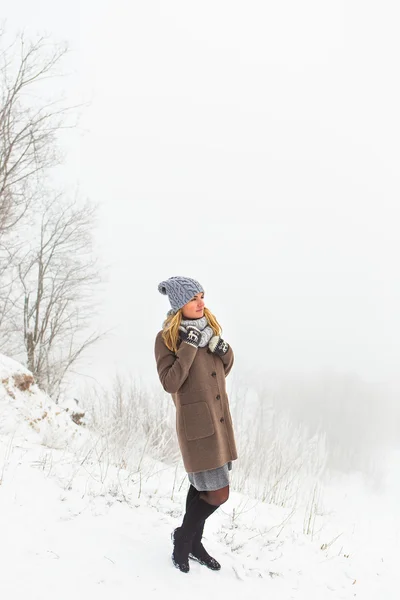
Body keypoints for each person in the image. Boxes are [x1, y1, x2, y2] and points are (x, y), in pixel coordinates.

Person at [154, 276, 238, 573]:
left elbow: (223, 370)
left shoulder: (209, 331)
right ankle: (183, 538)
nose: (201, 302)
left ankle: (194, 543)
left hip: (219, 421)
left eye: (202, 296)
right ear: (180, 304)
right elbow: (170, 382)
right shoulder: (168, 338)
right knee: (218, 493)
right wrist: (189, 346)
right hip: (196, 425)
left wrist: (222, 348)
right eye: (193, 298)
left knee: (200, 487)